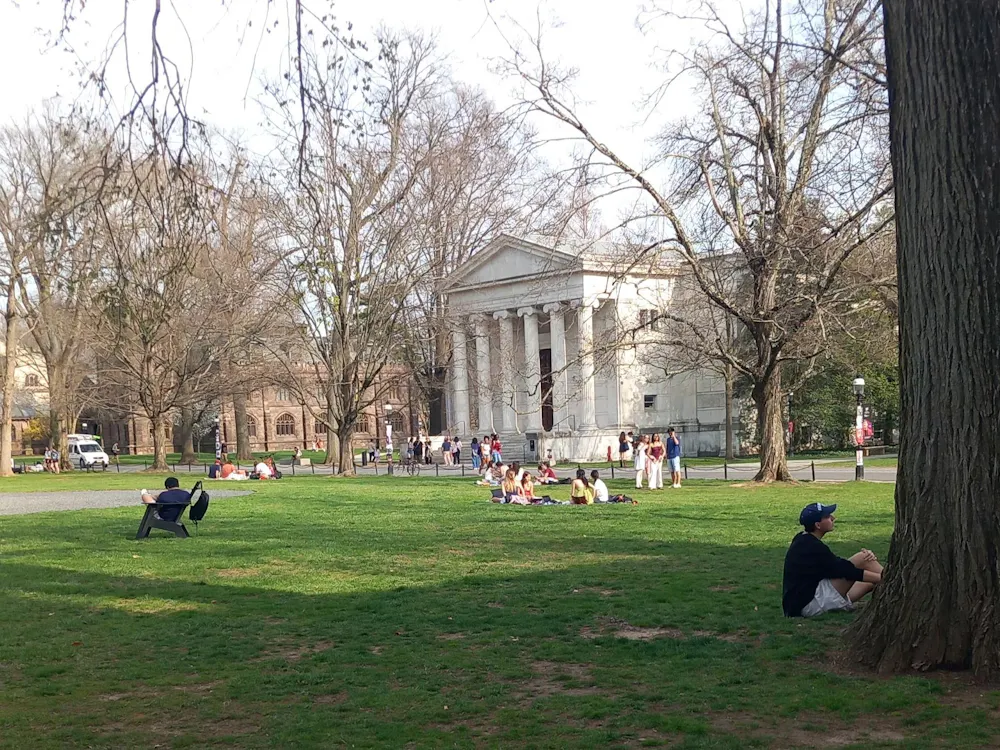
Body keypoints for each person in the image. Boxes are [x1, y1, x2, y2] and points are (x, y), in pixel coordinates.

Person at [782, 503, 882, 617]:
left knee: (870, 581)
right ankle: (897, 581)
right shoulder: (811, 547)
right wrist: (883, 578)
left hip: (804, 602)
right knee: (863, 559)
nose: (833, 518)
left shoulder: (802, 539)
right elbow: (846, 571)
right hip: (809, 605)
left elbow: (835, 566)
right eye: (827, 517)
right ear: (818, 525)